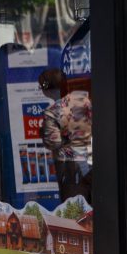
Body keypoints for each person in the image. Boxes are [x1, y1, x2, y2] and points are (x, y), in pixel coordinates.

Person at [38, 67, 93, 203]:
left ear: (46, 89)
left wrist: (43, 132)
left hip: (71, 169)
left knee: (75, 210)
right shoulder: (84, 102)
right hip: (92, 162)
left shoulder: (52, 112)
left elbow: (53, 142)